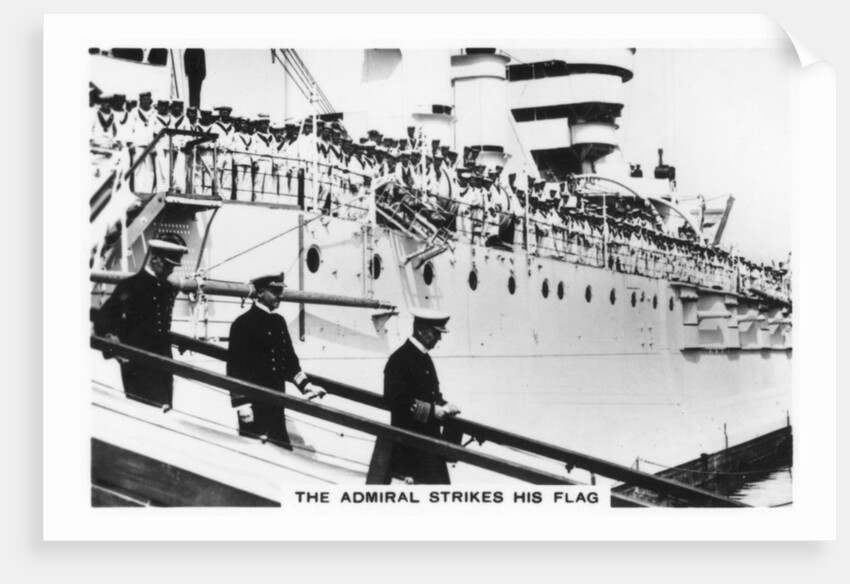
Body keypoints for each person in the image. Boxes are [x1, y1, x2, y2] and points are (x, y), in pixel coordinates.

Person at [226, 274, 326, 448]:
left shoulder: (278, 322)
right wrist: (241, 404)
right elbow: (235, 368)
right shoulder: (242, 324)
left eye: (281, 291)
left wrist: (306, 386)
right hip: (253, 405)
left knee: (281, 448)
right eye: (275, 291)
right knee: (255, 455)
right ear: (260, 293)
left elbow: (290, 362)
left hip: (277, 402)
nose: (280, 296)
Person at [94, 234, 189, 408]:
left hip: (164, 362)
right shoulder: (131, 286)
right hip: (138, 364)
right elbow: (104, 317)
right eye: (168, 265)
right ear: (154, 259)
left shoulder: (167, 287)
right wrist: (114, 347)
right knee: (144, 413)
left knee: (164, 412)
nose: (171, 271)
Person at [383, 308, 461, 484]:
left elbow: (431, 394)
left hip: (428, 445)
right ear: (420, 330)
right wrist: (433, 411)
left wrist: (445, 406)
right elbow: (393, 400)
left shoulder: (423, 357)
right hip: (410, 448)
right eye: (436, 333)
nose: (439, 338)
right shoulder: (400, 359)